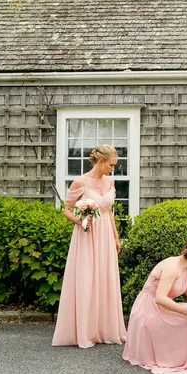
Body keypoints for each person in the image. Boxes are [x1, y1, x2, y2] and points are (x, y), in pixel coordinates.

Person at [52, 145, 126, 348]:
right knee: (87, 279)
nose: (113, 169)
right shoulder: (80, 182)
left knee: (105, 278)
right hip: (86, 236)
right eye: (111, 165)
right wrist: (80, 221)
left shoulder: (110, 181)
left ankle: (105, 329)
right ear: (101, 162)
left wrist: (116, 237)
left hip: (106, 237)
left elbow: (109, 212)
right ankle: (85, 331)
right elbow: (66, 210)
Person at [123, 237, 187, 374]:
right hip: (148, 308)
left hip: (162, 306)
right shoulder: (172, 267)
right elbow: (160, 298)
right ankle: (174, 358)